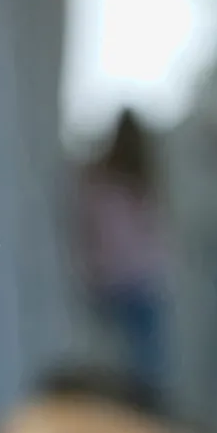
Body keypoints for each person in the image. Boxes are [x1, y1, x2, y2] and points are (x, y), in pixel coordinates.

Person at [72, 106, 174, 415]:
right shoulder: (136, 184)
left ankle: (124, 418)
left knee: (123, 364)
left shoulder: (100, 183)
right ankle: (139, 419)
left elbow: (89, 236)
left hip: (110, 282)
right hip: (137, 282)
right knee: (145, 367)